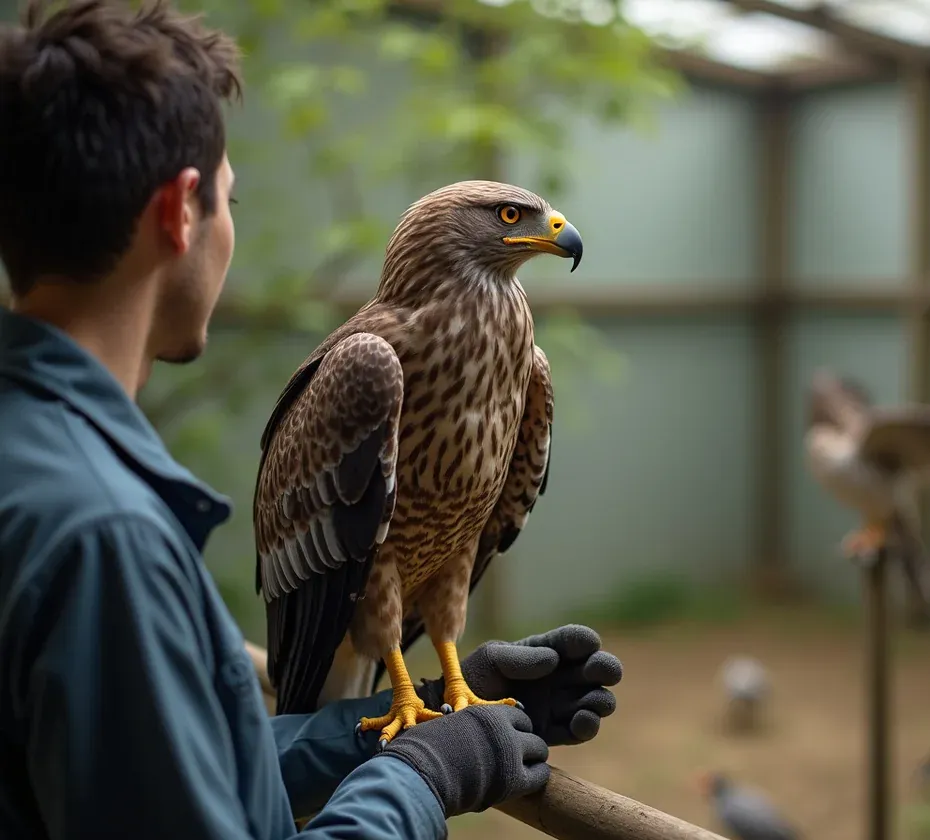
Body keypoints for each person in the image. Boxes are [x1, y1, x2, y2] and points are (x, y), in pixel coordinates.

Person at [0, 2, 622, 839]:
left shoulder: (38, 463)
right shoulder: (105, 536)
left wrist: (407, 713)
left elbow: (171, 781)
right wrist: (422, 775)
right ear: (182, 213)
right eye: (231, 199)